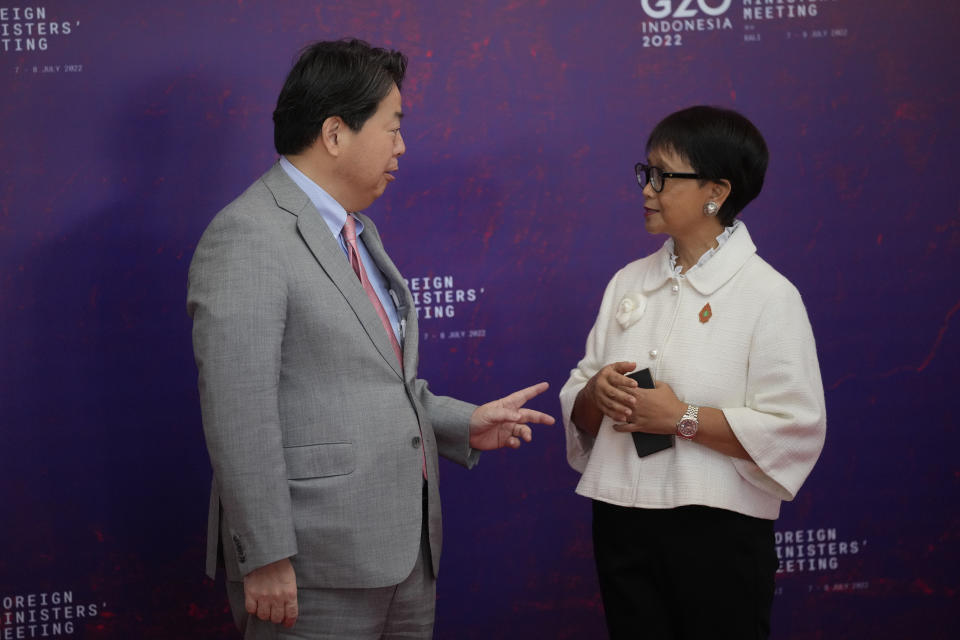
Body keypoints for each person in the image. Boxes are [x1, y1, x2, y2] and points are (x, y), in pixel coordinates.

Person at [187, 39, 554, 639]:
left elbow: (373, 383)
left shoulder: (357, 232)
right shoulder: (248, 235)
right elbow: (236, 409)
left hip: (404, 557)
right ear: (335, 134)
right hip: (309, 569)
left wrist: (464, 423)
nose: (402, 146)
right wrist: (266, 554)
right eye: (393, 127)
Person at [559, 106, 826, 639]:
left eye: (662, 176)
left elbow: (795, 429)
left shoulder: (769, 295)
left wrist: (680, 418)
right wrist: (596, 392)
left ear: (716, 191)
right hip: (620, 520)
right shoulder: (628, 282)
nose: (647, 189)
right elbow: (580, 408)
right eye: (645, 173)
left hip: (717, 531)